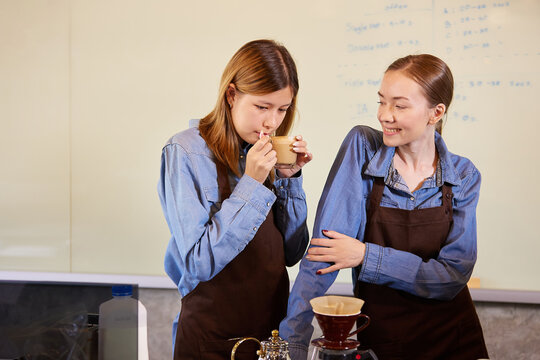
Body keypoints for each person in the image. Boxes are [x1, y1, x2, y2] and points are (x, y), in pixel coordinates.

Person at [279, 54, 489, 360]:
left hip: (454, 341)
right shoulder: (362, 147)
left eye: (399, 105)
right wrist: (292, 345)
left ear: (436, 112)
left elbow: (451, 277)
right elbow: (322, 256)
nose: (384, 115)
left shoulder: (464, 176)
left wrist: (366, 255)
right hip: (384, 343)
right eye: (382, 101)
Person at [158, 39, 312, 360]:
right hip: (209, 340)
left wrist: (290, 179)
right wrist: (252, 183)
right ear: (232, 95)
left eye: (282, 109)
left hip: (269, 336)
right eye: (262, 107)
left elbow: (293, 252)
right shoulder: (185, 152)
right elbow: (198, 263)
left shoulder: (266, 151)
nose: (272, 122)